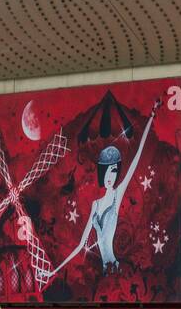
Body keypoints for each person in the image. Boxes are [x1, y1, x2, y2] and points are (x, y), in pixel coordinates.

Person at [47, 101, 159, 279]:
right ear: (101, 172)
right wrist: (53, 271)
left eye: (113, 171)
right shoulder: (95, 205)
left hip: (116, 267)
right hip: (105, 273)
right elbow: (80, 246)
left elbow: (137, 157)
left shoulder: (117, 195)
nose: (110, 176)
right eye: (106, 170)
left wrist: (151, 116)